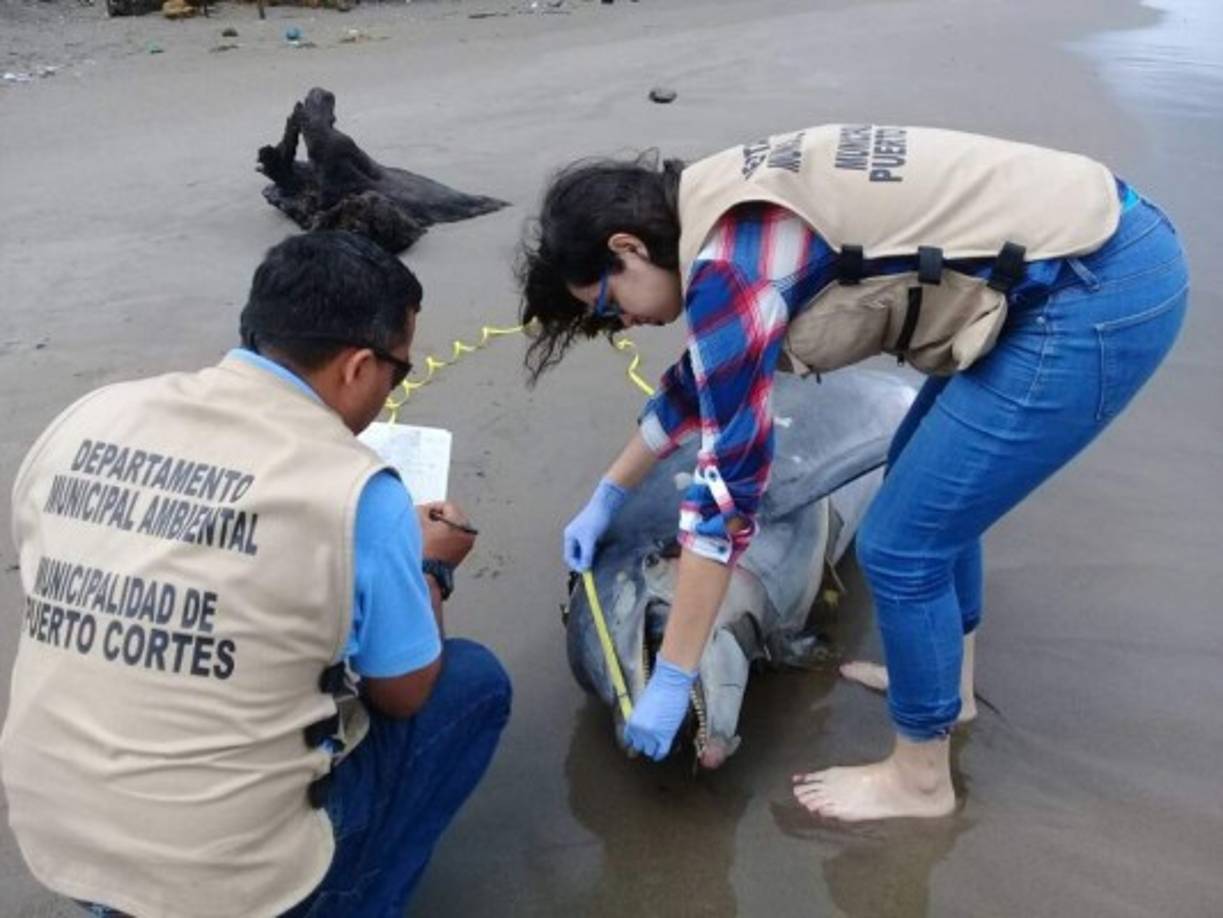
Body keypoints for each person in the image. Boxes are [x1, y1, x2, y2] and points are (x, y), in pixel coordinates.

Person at [517, 124, 1187, 821]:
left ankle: (919, 781)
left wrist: (675, 674)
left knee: (901, 545)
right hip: (1097, 242)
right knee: (922, 486)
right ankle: (943, 695)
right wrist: (609, 491)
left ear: (626, 247)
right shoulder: (709, 202)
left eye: (605, 303)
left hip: (1092, 290)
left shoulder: (726, 270)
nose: (621, 322)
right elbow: (703, 377)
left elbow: (725, 499)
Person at [0, 231, 511, 915]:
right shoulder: (361, 491)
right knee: (472, 680)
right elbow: (404, 693)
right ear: (359, 367)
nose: (395, 387)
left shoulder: (90, 416)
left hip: (61, 837)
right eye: (399, 371)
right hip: (228, 883)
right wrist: (429, 568)